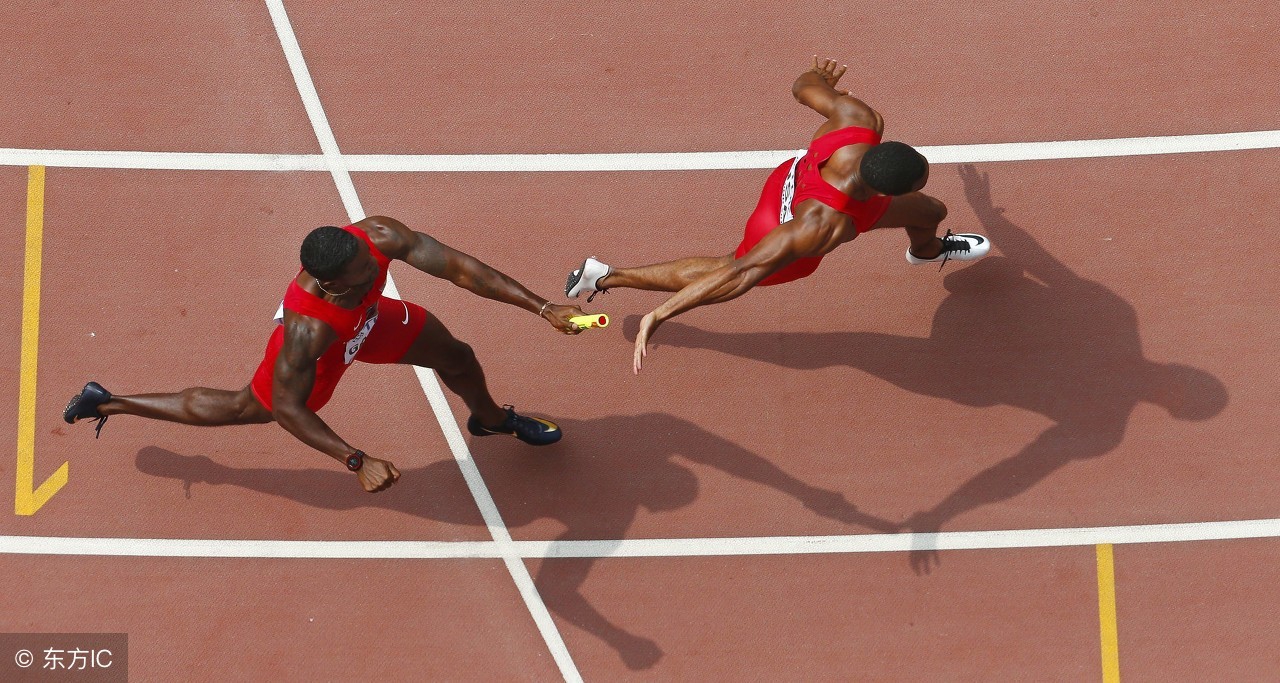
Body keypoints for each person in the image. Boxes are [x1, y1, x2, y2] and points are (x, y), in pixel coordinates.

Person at [63, 216, 590, 493]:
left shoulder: (375, 237)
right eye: (364, 272)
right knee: (248, 408)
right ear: (329, 281)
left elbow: (459, 268)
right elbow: (292, 412)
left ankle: (491, 419)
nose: (377, 267)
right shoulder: (305, 331)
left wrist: (542, 308)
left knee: (456, 355)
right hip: (330, 349)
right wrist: (355, 460)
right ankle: (108, 402)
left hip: (369, 323)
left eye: (370, 259)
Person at [563, 57, 991, 373]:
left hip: (794, 178)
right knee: (727, 265)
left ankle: (927, 251)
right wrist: (663, 313)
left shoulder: (858, 118)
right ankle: (604, 275)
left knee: (932, 210)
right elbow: (741, 274)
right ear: (884, 189)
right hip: (786, 218)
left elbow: (802, 85)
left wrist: (821, 79)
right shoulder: (822, 229)